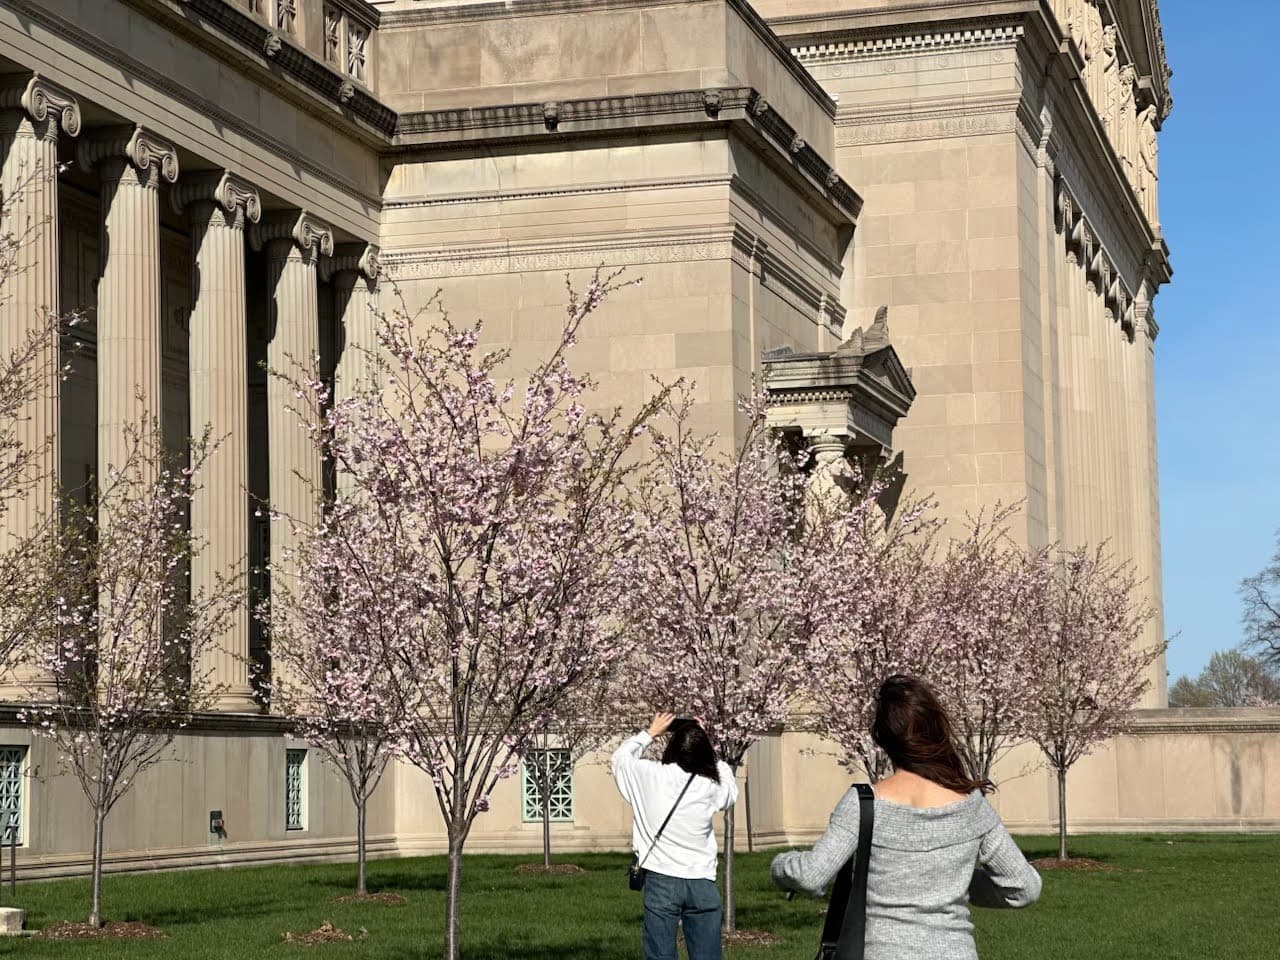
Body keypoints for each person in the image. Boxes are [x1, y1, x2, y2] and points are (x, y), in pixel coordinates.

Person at [771, 675, 1041, 960]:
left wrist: (780, 866)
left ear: (882, 738)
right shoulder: (971, 806)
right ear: (936, 730)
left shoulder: (865, 803)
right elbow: (1023, 887)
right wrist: (947, 880)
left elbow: (812, 875)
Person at [611, 712, 738, 960]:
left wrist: (650, 733)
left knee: (660, 954)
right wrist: (708, 746)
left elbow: (620, 759)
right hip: (701, 879)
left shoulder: (649, 775)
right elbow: (730, 789)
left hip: (662, 878)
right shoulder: (710, 785)